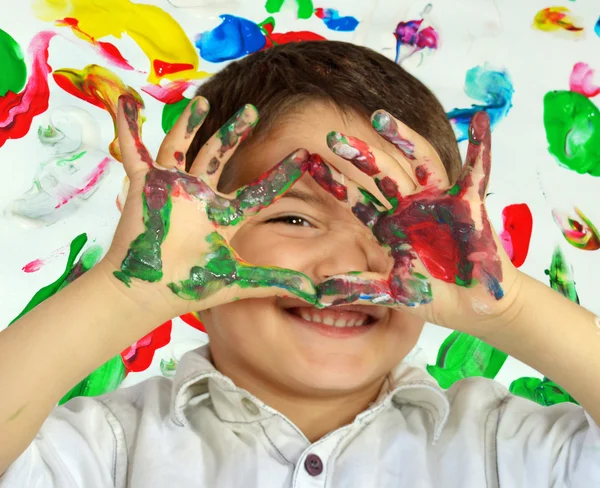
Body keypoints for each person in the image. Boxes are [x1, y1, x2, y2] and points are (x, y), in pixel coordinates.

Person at [0, 41, 598, 488]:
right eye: (292, 218)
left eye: (393, 225)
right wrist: (127, 294)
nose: (347, 263)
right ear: (193, 241)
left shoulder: (507, 450)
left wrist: (506, 308)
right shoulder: (105, 452)